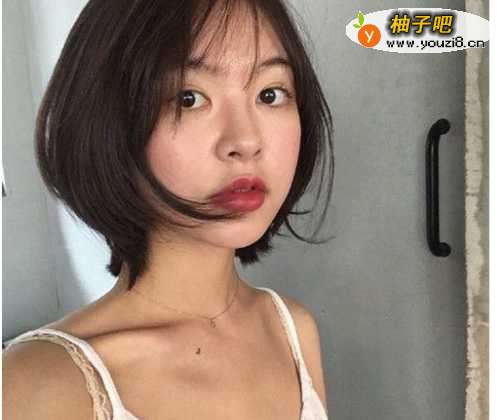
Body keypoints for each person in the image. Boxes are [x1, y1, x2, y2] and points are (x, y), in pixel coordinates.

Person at [3, 0, 334, 418]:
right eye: (189, 98)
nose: (246, 141)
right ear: (109, 122)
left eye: (270, 94)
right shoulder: (41, 382)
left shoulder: (293, 329)